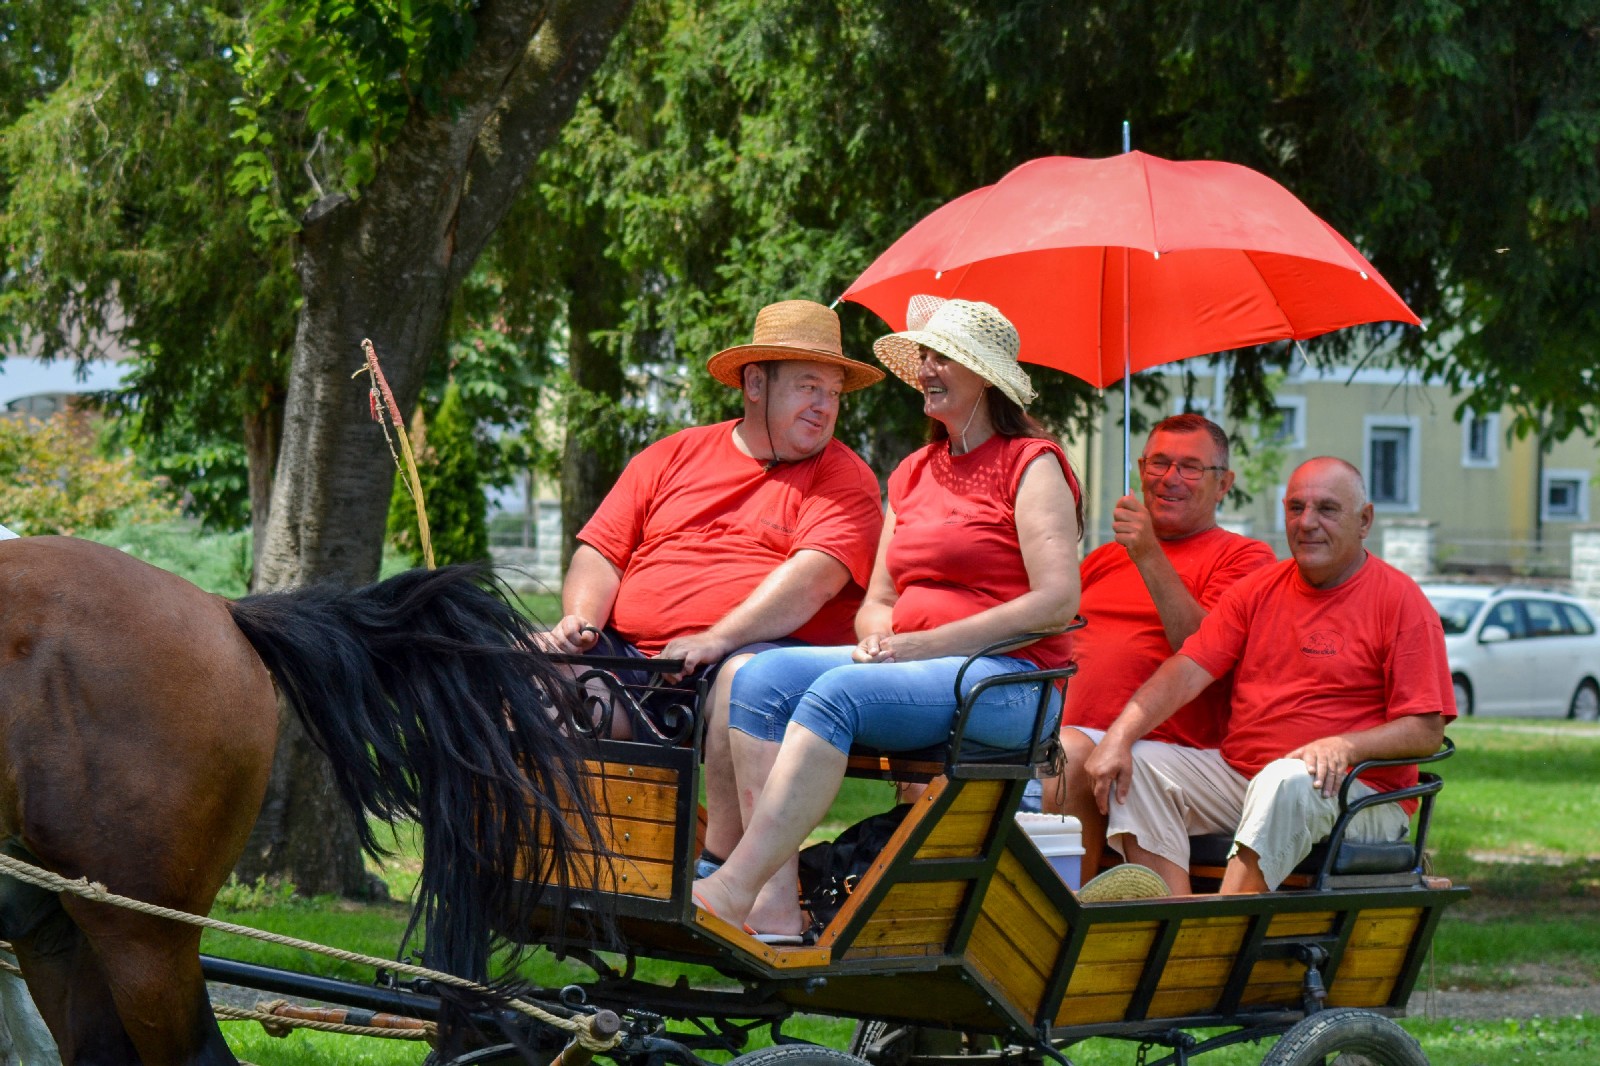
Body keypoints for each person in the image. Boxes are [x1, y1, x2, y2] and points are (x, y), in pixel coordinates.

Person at [691, 297, 1083, 940]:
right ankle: (775, 906)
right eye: (923, 356)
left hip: (1010, 683)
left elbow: (1056, 603)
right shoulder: (911, 473)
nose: (925, 369)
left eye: (942, 358)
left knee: (839, 693)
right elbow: (878, 598)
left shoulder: (1032, 463)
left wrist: (922, 647)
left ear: (984, 375)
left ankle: (733, 887)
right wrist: (879, 638)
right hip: (919, 668)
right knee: (755, 678)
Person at [541, 299, 885, 862]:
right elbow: (601, 552)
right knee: (526, 673)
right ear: (755, 383)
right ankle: (539, 856)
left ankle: (718, 866)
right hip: (630, 663)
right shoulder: (672, 454)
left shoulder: (843, 476)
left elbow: (813, 580)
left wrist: (716, 638)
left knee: (743, 678)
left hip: (749, 665)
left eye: (834, 393)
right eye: (808, 387)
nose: (824, 406)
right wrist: (579, 623)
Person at [1084, 456, 1455, 896]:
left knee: (1285, 780)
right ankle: (1174, 921)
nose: (1307, 522)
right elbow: (1186, 671)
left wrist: (1345, 745)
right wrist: (1119, 737)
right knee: (1140, 766)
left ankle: (1221, 928)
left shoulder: (1401, 601)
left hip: (1358, 794)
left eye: (1327, 509)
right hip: (1244, 779)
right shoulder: (1259, 589)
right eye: (1296, 508)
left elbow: (1426, 730)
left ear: (1364, 520)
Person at [1042, 414, 1275, 876]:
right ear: (1141, 468)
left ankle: (1059, 912)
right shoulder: (1105, 558)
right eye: (1159, 463)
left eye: (1191, 467)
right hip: (1061, 732)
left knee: (1069, 756)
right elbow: (1052, 642)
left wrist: (1149, 553)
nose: (1171, 478)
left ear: (1224, 484)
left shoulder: (1245, 557)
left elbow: (1203, 650)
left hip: (1162, 747)